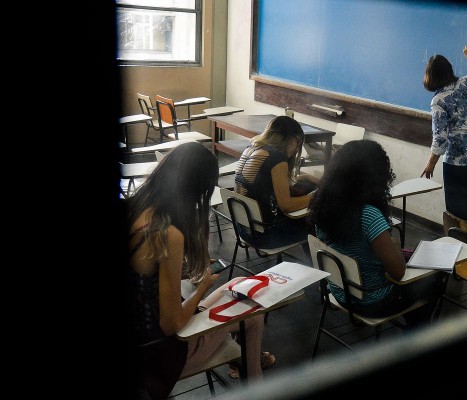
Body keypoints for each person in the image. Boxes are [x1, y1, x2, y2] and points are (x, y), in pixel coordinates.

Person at [126, 142, 274, 399]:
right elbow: (171, 324)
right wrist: (203, 285)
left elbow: (143, 277)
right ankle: (255, 381)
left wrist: (180, 273)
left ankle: (245, 361)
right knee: (252, 315)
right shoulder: (166, 232)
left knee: (237, 284)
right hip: (159, 354)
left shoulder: (135, 209)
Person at [307, 140, 445, 328]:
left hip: (341, 292)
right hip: (373, 300)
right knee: (435, 279)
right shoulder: (368, 215)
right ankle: (416, 338)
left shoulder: (322, 205)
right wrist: (394, 246)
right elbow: (398, 272)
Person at [421, 45, 467, 221]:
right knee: (463, 209)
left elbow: (440, 139)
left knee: (455, 216)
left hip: (459, 164)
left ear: (432, 76)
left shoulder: (438, 101)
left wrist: (430, 164)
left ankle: (461, 246)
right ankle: (466, 242)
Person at [234, 115, 320, 248]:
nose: (297, 149)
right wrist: (316, 197)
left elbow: (263, 181)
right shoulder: (276, 158)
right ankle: (317, 265)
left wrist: (305, 177)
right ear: (289, 138)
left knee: (305, 188)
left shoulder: (252, 148)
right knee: (314, 220)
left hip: (245, 228)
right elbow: (287, 205)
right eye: (298, 142)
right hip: (265, 235)